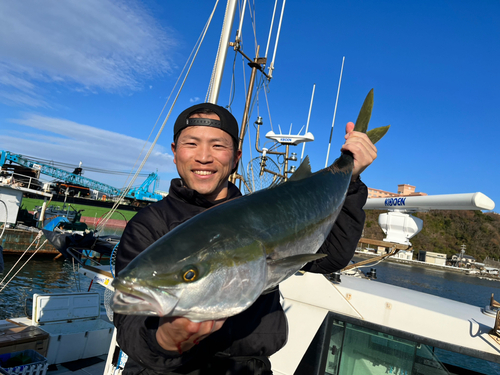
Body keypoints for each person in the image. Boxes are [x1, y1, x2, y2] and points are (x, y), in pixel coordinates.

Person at [114, 102, 377, 375]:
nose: (203, 157)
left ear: (236, 156)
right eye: (191, 144)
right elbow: (128, 325)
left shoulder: (270, 212)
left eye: (218, 146)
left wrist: (351, 176)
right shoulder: (148, 225)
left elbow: (330, 257)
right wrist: (164, 340)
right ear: (174, 152)